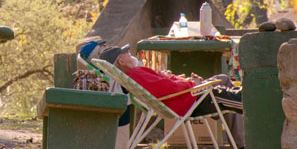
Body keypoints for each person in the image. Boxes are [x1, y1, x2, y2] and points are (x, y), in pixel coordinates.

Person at [99, 45, 242, 117]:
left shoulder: (134, 74)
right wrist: (193, 85)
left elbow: (166, 83)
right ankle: (254, 100)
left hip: (184, 97)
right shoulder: (136, 74)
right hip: (186, 102)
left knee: (222, 82)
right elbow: (168, 88)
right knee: (222, 95)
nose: (130, 55)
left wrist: (188, 81)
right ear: (121, 60)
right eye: (127, 54)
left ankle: (240, 142)